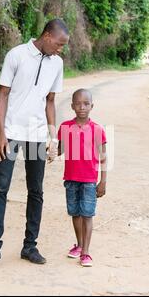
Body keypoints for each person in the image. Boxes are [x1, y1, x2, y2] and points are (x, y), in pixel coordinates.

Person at [0, 19, 69, 264]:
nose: (61, 49)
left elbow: (51, 101)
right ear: (48, 35)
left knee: (36, 191)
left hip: (37, 135)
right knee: (0, 188)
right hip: (10, 132)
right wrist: (1, 133)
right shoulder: (16, 55)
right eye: (60, 44)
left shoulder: (57, 64)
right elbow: (3, 94)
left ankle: (30, 246)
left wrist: (53, 136)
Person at [57, 89, 107, 267]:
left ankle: (86, 252)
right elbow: (60, 150)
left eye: (86, 104)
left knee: (87, 214)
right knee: (75, 213)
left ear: (92, 106)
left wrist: (103, 181)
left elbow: (103, 157)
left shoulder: (97, 130)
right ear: (72, 106)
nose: (82, 107)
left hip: (89, 180)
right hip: (71, 178)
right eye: (78, 103)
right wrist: (50, 150)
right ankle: (78, 245)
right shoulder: (64, 127)